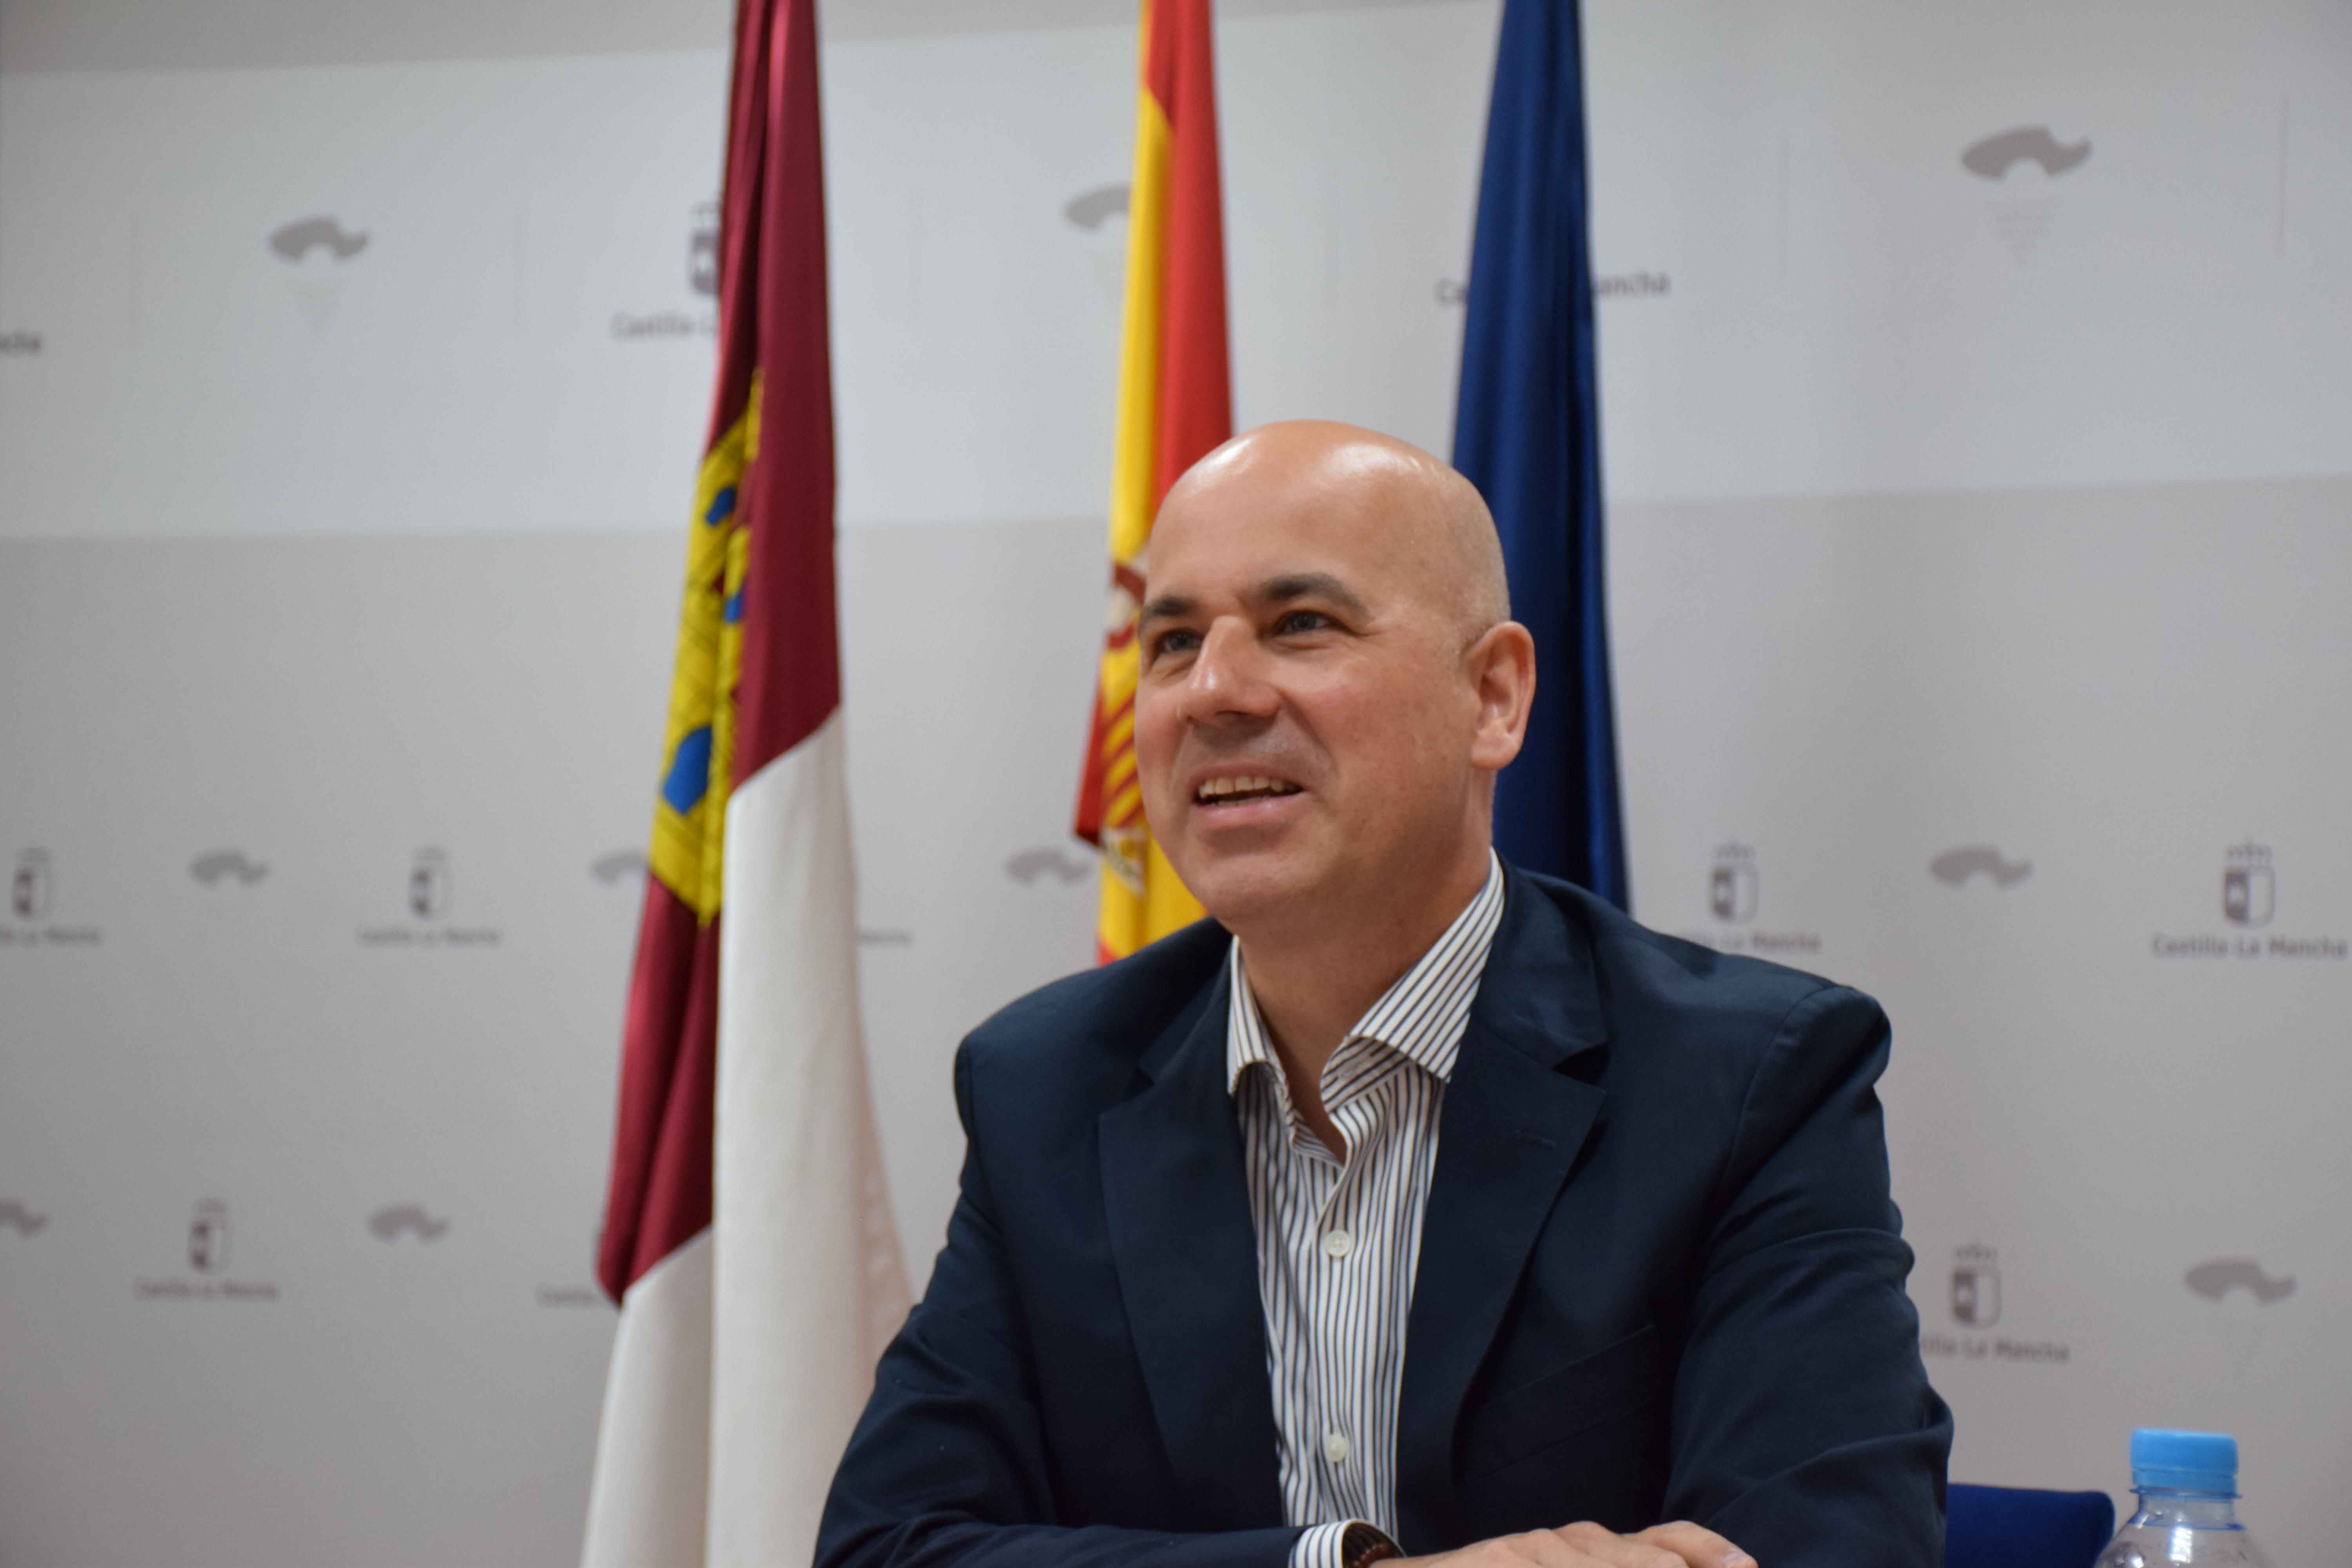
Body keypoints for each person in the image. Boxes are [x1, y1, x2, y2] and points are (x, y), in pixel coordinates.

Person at [817, 421, 1950, 1567]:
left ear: (1493, 697)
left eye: (1301, 624)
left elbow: (1833, 1549)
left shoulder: (1747, 1081)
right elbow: (888, 1548)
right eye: (1171, 642)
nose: (1212, 691)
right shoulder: (1045, 1086)